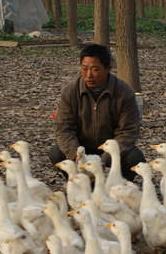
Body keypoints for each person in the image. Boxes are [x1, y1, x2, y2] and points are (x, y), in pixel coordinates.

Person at [49, 43, 145, 181]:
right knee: (56, 153)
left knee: (134, 158)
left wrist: (104, 159)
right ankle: (83, 182)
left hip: (110, 148)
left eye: (95, 69)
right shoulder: (70, 91)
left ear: (107, 69)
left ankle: (119, 185)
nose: (89, 75)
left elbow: (128, 132)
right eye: (84, 68)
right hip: (81, 147)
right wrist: (76, 156)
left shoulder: (124, 93)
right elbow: (63, 128)